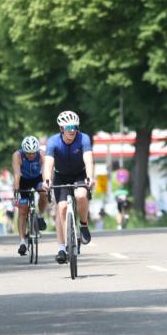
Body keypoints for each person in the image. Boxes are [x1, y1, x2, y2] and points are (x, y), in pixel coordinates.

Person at [42, 110, 94, 264]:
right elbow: (48, 163)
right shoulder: (53, 142)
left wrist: (90, 177)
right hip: (61, 176)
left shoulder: (83, 139)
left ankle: (83, 225)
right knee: (62, 208)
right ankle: (61, 248)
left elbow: (88, 159)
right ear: (61, 129)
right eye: (68, 126)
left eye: (74, 126)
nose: (72, 130)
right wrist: (46, 180)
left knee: (81, 196)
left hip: (79, 174)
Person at [13, 136, 49, 255]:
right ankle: (22, 241)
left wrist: (47, 185)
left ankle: (39, 215)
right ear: (23, 150)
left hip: (37, 178)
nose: (31, 155)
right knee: (23, 211)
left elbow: (46, 173)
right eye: (28, 153)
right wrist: (16, 193)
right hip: (23, 180)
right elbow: (17, 175)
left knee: (43, 192)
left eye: (33, 153)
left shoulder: (42, 154)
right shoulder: (18, 156)